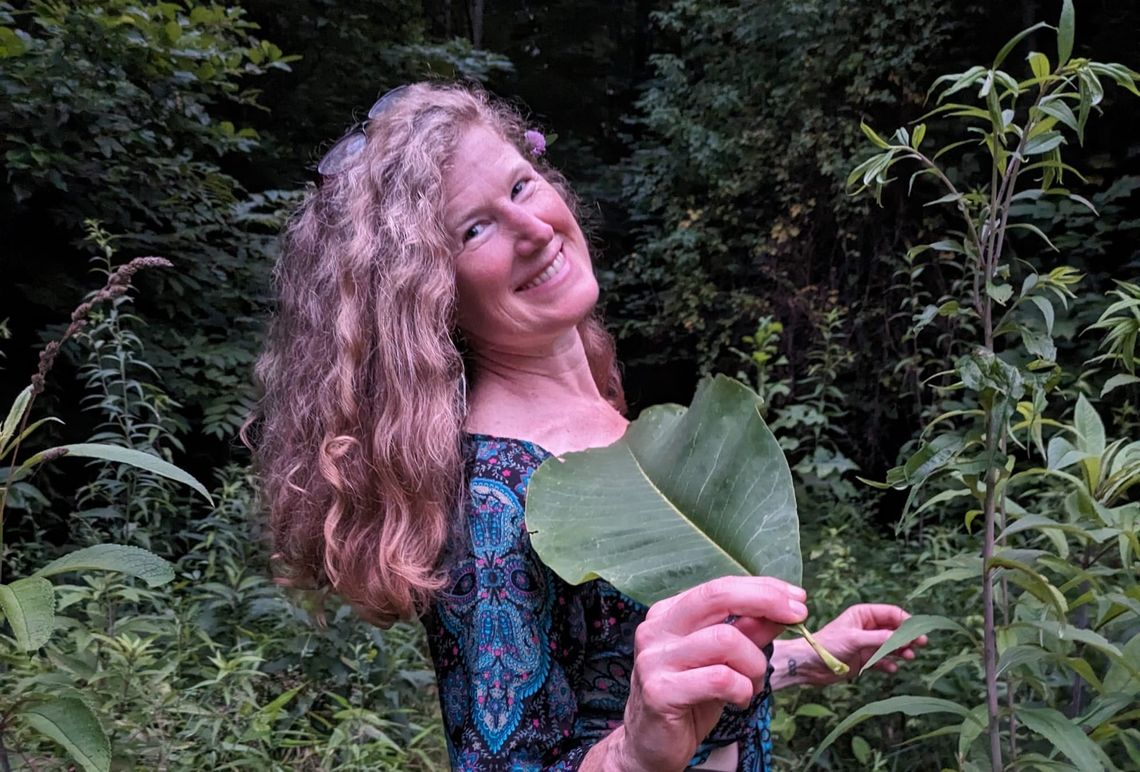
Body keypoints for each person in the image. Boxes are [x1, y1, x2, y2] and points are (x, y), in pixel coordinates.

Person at [252, 81, 925, 771]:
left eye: (521, 186)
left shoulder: (602, 422)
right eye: (474, 229)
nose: (535, 229)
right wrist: (633, 754)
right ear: (426, 293)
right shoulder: (494, 502)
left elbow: (646, 675)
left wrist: (807, 657)